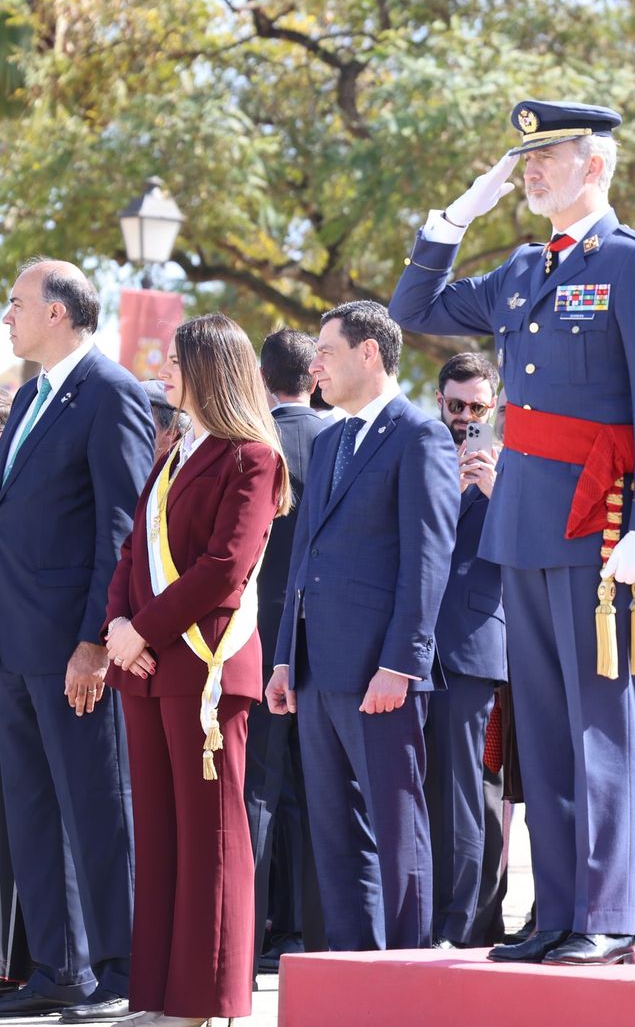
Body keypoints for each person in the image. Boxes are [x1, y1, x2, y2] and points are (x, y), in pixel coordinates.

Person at [388, 99, 635, 967]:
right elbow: (416, 304)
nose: (529, 170)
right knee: (547, 731)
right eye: (524, 158)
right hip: (523, 522)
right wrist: (460, 214)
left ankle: (607, 915)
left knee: (600, 726)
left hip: (600, 521)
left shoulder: (631, 262)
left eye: (546, 157)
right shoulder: (525, 268)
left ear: (593, 166)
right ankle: (557, 913)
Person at [0, 259, 154, 1022]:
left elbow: (121, 528)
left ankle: (123, 970)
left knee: (97, 811)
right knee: (32, 814)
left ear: (58, 312)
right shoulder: (28, 396)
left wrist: (94, 642)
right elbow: (1, 524)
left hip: (74, 649)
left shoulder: (111, 391)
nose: (5, 317)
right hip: (13, 649)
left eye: (16, 303)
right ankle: (59, 968)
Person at [103, 314, 288, 1027]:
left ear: (210, 369)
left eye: (175, 362)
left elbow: (224, 568)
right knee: (158, 836)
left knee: (211, 837)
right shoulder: (175, 453)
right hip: (145, 666)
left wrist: (140, 630)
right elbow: (131, 553)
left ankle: (205, 999)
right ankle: (156, 995)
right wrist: (117, 629)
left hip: (205, 665)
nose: (164, 372)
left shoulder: (252, 458)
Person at [265, 301, 459, 952]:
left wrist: (400, 664)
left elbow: (427, 560)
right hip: (317, 670)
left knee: (396, 829)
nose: (314, 366)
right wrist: (285, 657)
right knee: (335, 835)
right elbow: (305, 557)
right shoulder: (328, 441)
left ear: (368, 352)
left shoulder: (420, 436)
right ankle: (355, 969)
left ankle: (406, 970)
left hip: (382, 673)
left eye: (326, 351)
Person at [248, 328, 328, 964]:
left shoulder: (252, 444)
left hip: (257, 635)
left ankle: (247, 929)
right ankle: (298, 929)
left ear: (261, 375)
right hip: (322, 640)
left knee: (258, 786)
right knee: (310, 787)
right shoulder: (338, 441)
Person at [425, 352, 508, 949]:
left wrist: (494, 492)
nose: (466, 418)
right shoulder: (420, 455)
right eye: (457, 405)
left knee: (469, 789)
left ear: (494, 407)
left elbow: (534, 548)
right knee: (423, 787)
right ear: (440, 401)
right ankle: (429, 915)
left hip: (474, 645)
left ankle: (466, 923)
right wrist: (445, 494)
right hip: (408, 645)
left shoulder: (515, 469)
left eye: (478, 408)